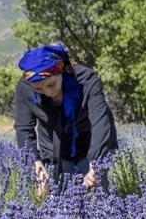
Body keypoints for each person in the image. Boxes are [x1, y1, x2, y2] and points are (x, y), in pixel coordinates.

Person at [14, 43, 118, 192]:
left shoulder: (86, 79)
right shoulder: (24, 88)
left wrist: (96, 164)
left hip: (91, 143)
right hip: (54, 148)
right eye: (39, 89)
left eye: (51, 84)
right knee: (59, 197)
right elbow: (24, 128)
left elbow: (101, 121)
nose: (47, 92)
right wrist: (35, 165)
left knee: (100, 192)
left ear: (61, 71)